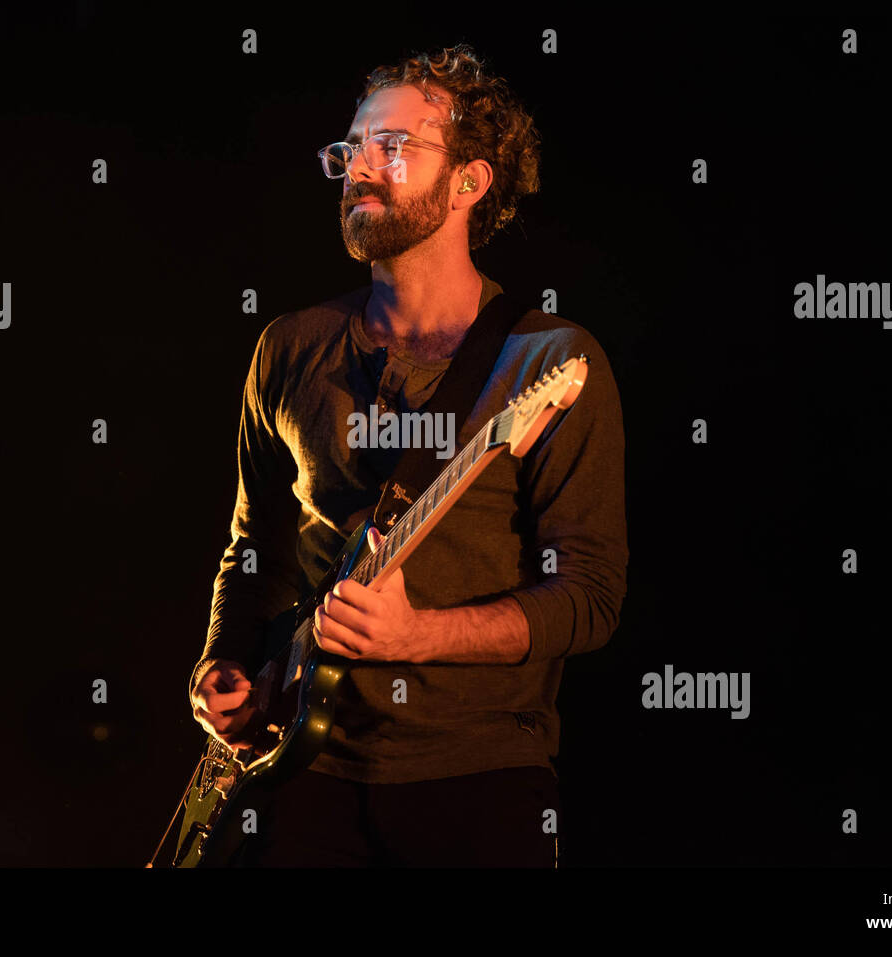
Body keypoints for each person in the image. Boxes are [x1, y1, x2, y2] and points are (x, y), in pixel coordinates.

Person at [188, 43, 628, 867]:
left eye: (395, 147)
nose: (361, 167)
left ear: (469, 181)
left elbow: (589, 598)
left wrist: (418, 636)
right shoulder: (289, 346)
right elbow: (254, 553)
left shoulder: (547, 361)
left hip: (478, 778)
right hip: (300, 772)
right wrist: (223, 662)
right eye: (353, 146)